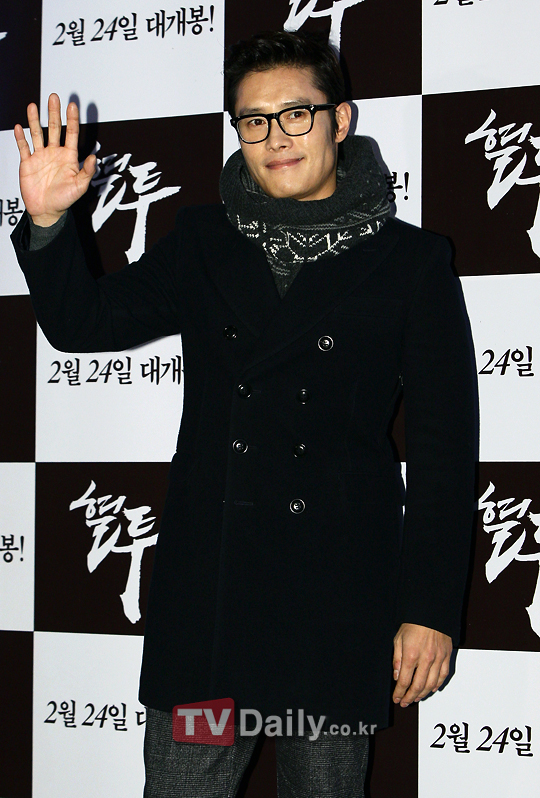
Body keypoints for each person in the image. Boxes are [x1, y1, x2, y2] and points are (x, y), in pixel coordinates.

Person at [12, 30, 476, 798]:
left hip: (335, 610)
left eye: (296, 114)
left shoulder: (411, 262)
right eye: (254, 121)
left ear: (340, 119)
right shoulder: (203, 241)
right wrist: (51, 225)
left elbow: (443, 453)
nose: (275, 137)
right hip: (213, 612)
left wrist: (429, 608)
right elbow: (83, 324)